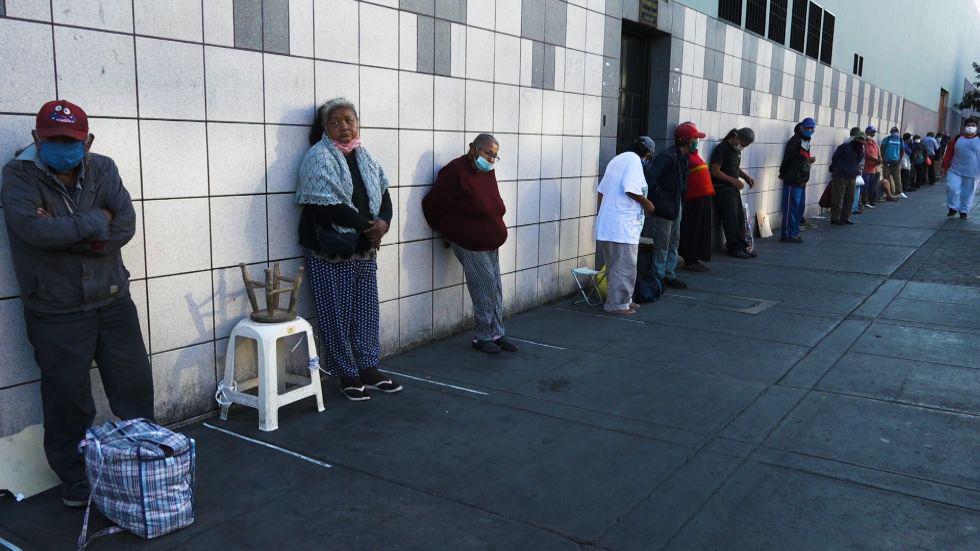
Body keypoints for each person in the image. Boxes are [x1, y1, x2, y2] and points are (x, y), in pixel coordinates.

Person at [1, 100, 154, 507]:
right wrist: (94, 221)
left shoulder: (103, 168)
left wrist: (66, 230)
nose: (62, 146)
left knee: (133, 382)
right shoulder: (19, 174)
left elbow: (125, 224)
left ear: (87, 141)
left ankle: (148, 455)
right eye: (53, 139)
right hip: (55, 307)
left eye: (71, 140)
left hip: (111, 297)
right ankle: (74, 477)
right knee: (67, 396)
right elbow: (33, 231)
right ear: (38, 138)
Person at [297, 98, 401, 401]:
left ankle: (369, 367)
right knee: (335, 314)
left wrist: (383, 222)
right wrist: (369, 227)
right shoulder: (317, 157)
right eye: (336, 121)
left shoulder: (364, 156)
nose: (345, 126)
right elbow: (327, 205)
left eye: (350, 120)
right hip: (330, 250)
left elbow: (383, 193)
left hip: (363, 248)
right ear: (325, 128)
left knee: (367, 310)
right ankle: (346, 374)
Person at [422, 134, 519, 354]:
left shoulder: (486, 171)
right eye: (488, 153)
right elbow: (432, 203)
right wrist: (446, 230)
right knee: (483, 288)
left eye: (495, 156)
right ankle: (483, 336)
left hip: (490, 240)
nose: (491, 159)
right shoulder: (455, 171)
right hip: (470, 240)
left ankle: (497, 332)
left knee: (494, 287)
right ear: (473, 149)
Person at [595, 137, 656, 315]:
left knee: (615, 266)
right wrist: (647, 204)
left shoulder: (618, 159)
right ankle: (617, 304)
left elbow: (601, 190)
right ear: (646, 154)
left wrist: (605, 214)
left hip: (611, 225)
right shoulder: (634, 160)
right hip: (622, 227)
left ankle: (624, 299)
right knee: (625, 267)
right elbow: (630, 188)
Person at [643, 123, 703, 288]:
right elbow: (651, 180)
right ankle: (658, 277)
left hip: (675, 204)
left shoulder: (683, 157)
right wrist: (656, 203)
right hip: (663, 207)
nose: (696, 142)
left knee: (673, 242)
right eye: (695, 139)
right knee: (662, 243)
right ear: (686, 140)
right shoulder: (668, 157)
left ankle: (669, 274)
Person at [710, 128, 757, 258]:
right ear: (736, 137)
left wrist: (746, 177)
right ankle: (733, 247)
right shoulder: (722, 148)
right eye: (742, 143)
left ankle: (742, 245)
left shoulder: (735, 151)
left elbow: (734, 167)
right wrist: (732, 180)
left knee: (739, 218)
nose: (742, 147)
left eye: (745, 146)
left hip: (732, 188)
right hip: (722, 188)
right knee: (731, 219)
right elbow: (714, 170)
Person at [679, 130, 715, 272]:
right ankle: (690, 259)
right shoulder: (684, 158)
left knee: (701, 229)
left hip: (703, 197)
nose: (696, 142)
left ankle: (695, 258)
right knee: (692, 229)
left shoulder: (693, 156)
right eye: (694, 139)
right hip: (693, 199)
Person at [779, 118, 816, 242]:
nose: (809, 130)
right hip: (792, 179)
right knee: (791, 208)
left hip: (801, 180)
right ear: (801, 128)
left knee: (798, 208)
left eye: (811, 128)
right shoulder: (795, 142)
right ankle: (788, 234)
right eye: (807, 128)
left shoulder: (805, 141)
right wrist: (782, 173)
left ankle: (793, 232)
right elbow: (788, 159)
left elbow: (801, 160)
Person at [940, 117, 979, 219]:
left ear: (977, 127)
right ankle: (952, 208)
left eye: (973, 126)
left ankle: (964, 211)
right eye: (968, 125)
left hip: (973, 172)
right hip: (955, 170)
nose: (971, 127)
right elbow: (949, 153)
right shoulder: (957, 139)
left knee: (968, 193)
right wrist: (944, 166)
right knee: (952, 188)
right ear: (964, 127)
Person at [829, 129, 867, 225]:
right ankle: (835, 217)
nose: (860, 141)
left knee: (850, 198)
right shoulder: (845, 147)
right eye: (859, 139)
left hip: (852, 176)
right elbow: (835, 158)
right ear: (855, 138)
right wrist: (835, 168)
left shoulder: (860, 150)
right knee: (838, 198)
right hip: (841, 175)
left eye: (862, 140)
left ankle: (845, 217)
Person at [880, 126, 906, 200]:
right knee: (886, 178)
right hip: (887, 162)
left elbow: (902, 151)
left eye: (896, 131)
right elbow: (882, 149)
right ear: (890, 132)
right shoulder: (886, 139)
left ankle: (899, 192)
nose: (895, 133)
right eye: (893, 131)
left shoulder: (900, 140)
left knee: (897, 178)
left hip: (896, 162)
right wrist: (883, 159)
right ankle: (888, 194)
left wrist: (900, 160)